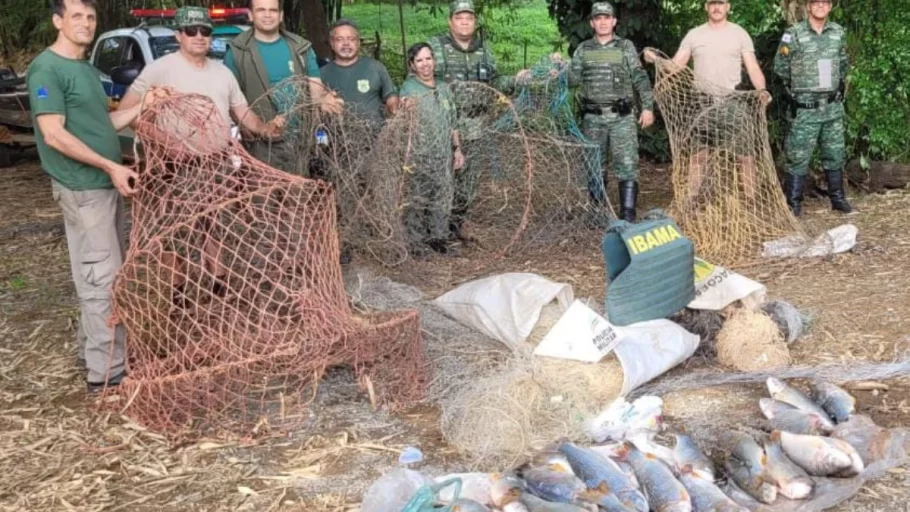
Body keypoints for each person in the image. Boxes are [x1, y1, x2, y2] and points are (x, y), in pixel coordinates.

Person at [27, 0, 153, 391]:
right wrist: (111, 166)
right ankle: (108, 374)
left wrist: (143, 107)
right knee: (103, 279)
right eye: (76, 16)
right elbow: (54, 133)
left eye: (90, 17)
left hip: (101, 186)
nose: (85, 23)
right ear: (57, 21)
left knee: (99, 271)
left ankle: (93, 354)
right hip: (84, 188)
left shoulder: (84, 68)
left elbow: (104, 123)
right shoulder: (47, 69)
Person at [427, 0, 531, 241]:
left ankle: (455, 228)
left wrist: (516, 79)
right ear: (450, 21)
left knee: (468, 183)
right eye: (459, 17)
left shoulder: (484, 50)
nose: (465, 21)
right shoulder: (438, 48)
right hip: (445, 124)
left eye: (469, 18)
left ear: (474, 22)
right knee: (442, 179)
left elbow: (495, 83)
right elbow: (424, 78)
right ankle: (434, 234)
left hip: (477, 126)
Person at [647, 0, 771, 202]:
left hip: (733, 102)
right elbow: (676, 66)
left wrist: (762, 91)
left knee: (746, 157)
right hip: (702, 103)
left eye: (720, 3)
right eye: (712, 3)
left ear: (728, 7)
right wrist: (657, 60)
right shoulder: (694, 35)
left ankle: (751, 203)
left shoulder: (739, 34)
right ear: (706, 7)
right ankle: (691, 201)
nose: (716, 7)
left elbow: (753, 67)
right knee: (698, 157)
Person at [223, 0, 343, 174]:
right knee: (263, 199)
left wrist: (323, 101)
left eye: (272, 10)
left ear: (280, 16)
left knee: (299, 197)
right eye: (261, 10)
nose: (267, 15)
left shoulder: (300, 47)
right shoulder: (237, 52)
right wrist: (250, 133)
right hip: (260, 147)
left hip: (299, 143)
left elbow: (315, 86)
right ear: (250, 15)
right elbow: (232, 99)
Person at [567, 2, 654, 222]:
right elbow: (571, 80)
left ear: (614, 21)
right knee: (594, 166)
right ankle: (597, 213)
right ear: (592, 23)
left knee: (627, 165)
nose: (603, 22)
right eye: (598, 18)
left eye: (607, 17)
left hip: (621, 118)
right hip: (593, 119)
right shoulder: (583, 50)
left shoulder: (625, 47)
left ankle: (627, 215)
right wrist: (557, 68)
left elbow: (640, 77)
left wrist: (648, 107)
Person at [774, 0, 853, 216]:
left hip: (832, 108)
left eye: (825, 2)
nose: (820, 5)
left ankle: (838, 200)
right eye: (815, 2)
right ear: (809, 6)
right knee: (798, 156)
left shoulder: (837, 32)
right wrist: (801, 86)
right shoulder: (793, 34)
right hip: (805, 109)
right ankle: (794, 205)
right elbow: (780, 67)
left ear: (830, 7)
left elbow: (843, 63)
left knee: (834, 153)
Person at [399, 43, 465, 255]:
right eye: (419, 61)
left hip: (443, 155)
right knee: (417, 199)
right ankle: (416, 243)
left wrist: (457, 149)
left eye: (428, 59)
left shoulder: (444, 89)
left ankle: (439, 239)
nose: (425, 64)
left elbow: (453, 123)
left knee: (443, 198)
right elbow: (403, 113)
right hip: (420, 155)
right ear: (412, 65)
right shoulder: (410, 88)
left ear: (434, 61)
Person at [321, 19, 399, 126]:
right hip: (338, 138)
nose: (346, 44)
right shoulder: (323, 73)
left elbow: (390, 95)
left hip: (377, 138)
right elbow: (315, 105)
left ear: (358, 43)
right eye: (339, 39)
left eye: (351, 39)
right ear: (332, 43)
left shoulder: (375, 67)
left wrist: (394, 107)